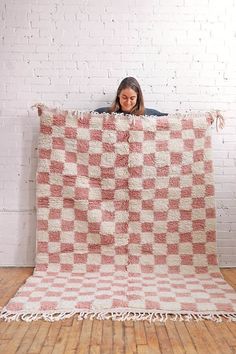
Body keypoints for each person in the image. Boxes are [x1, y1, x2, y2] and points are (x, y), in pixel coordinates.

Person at [94, 77, 167, 116]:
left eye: (132, 98)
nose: (128, 102)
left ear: (138, 97)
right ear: (119, 95)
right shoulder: (105, 114)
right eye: (124, 97)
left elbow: (169, 119)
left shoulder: (148, 115)